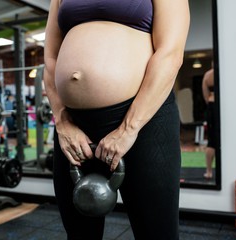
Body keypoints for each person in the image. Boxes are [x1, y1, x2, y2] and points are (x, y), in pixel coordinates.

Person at [43, 0, 190, 239]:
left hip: (144, 122)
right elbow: (50, 61)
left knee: (156, 233)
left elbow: (170, 54)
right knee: (79, 233)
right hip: (74, 128)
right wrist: (63, 122)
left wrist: (129, 128)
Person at [202, 64, 216, 179]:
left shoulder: (208, 75)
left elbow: (206, 96)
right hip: (219, 108)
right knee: (214, 142)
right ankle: (209, 171)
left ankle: (209, 171)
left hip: (212, 106)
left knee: (212, 141)